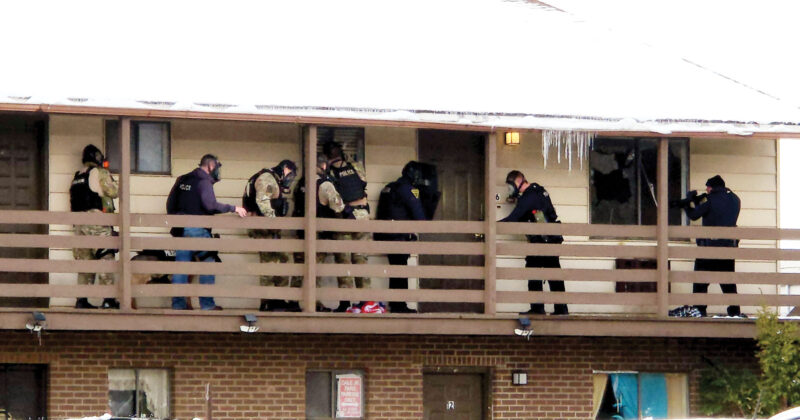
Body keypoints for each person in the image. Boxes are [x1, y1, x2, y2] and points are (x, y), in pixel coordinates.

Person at [166, 154, 247, 310]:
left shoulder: (182, 179)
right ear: (210, 166)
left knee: (181, 269)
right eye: (217, 167)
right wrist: (233, 208)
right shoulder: (203, 181)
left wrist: (177, 223)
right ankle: (207, 305)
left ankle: (178, 306)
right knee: (208, 264)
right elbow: (210, 205)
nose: (218, 171)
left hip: (181, 230)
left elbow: (170, 204)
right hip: (197, 229)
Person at [500, 170, 568, 315]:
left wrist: (491, 225)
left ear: (517, 182)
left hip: (542, 241)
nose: (510, 190)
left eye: (510, 186)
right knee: (553, 275)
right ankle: (561, 309)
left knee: (534, 273)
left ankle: (538, 309)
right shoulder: (538, 191)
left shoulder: (528, 197)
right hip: (550, 239)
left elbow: (513, 219)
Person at [676, 175, 742, 317]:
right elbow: (716, 214)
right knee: (728, 283)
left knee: (700, 282)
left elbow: (694, 215)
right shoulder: (735, 199)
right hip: (728, 249)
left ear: (712, 187)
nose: (706, 189)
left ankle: (699, 311)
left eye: (707, 187)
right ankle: (735, 312)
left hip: (709, 248)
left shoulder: (710, 199)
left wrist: (686, 204)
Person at [292, 156, 347, 311]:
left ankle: (293, 303)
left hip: (300, 232)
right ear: (323, 166)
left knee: (299, 270)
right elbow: (338, 206)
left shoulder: (301, 183)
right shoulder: (324, 184)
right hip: (318, 233)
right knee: (314, 270)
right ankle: (314, 304)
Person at [243, 160, 299, 312]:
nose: (290, 178)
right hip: (265, 228)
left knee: (280, 262)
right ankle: (268, 301)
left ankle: (277, 299)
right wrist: (274, 222)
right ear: (285, 168)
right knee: (269, 264)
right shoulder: (267, 178)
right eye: (291, 174)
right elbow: (263, 202)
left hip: (269, 228)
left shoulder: (271, 178)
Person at [375, 161, 430, 313]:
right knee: (401, 272)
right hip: (399, 237)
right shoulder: (407, 189)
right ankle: (400, 306)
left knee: (395, 271)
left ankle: (396, 304)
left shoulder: (389, 187)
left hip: (385, 235)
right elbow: (419, 216)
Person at [322, 140, 371, 312]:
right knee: (361, 259)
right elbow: (363, 183)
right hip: (362, 216)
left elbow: (331, 197)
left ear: (326, 155)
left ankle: (345, 303)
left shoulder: (328, 173)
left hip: (343, 218)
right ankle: (365, 302)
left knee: (343, 262)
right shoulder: (356, 167)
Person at [70, 144, 119, 309]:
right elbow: (114, 191)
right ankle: (108, 300)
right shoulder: (99, 172)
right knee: (106, 257)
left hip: (78, 224)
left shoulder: (77, 176)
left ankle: (82, 300)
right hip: (96, 221)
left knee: (85, 264)